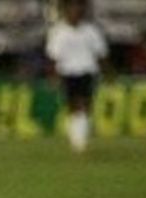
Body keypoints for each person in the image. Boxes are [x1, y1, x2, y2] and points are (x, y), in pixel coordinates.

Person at [45, 0, 108, 153]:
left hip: (87, 71)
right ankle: (76, 138)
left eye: (78, 7)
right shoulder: (58, 31)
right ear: (65, 10)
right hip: (67, 72)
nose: (75, 11)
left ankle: (80, 140)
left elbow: (101, 54)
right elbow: (53, 57)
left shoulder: (91, 31)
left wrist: (107, 72)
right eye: (71, 8)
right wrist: (53, 76)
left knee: (85, 105)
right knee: (73, 106)